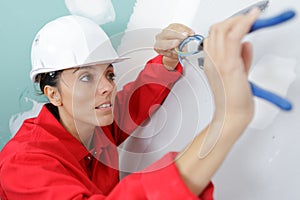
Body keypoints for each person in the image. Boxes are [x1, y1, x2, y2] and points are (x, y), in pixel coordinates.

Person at [0, 7, 260, 200]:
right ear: (53, 94)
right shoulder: (22, 163)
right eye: (86, 77)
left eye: (109, 74)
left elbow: (132, 105)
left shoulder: (93, 127)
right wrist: (229, 118)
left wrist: (167, 60)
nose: (107, 87)